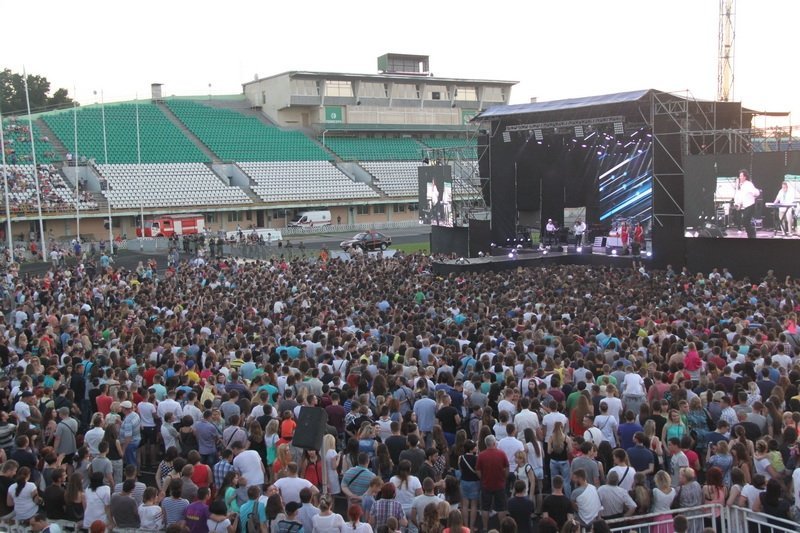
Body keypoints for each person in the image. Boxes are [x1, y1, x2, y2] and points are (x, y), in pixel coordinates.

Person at [476, 434, 509, 531]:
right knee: (501, 507)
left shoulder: (481, 455)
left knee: (485, 507)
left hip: (486, 484)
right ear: (494, 443)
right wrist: (504, 477)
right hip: (500, 484)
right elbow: (507, 467)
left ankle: (485, 528)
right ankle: (502, 528)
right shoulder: (501, 454)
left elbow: (477, 470)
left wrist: (482, 478)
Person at [733, 169, 760, 238]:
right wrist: (738, 204)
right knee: (745, 222)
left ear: (745, 177)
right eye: (739, 176)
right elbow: (741, 197)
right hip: (746, 206)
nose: (740, 177)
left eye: (741, 176)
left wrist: (753, 193)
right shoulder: (742, 185)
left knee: (745, 220)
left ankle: (752, 233)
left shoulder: (749, 184)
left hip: (750, 205)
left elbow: (757, 192)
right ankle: (750, 235)